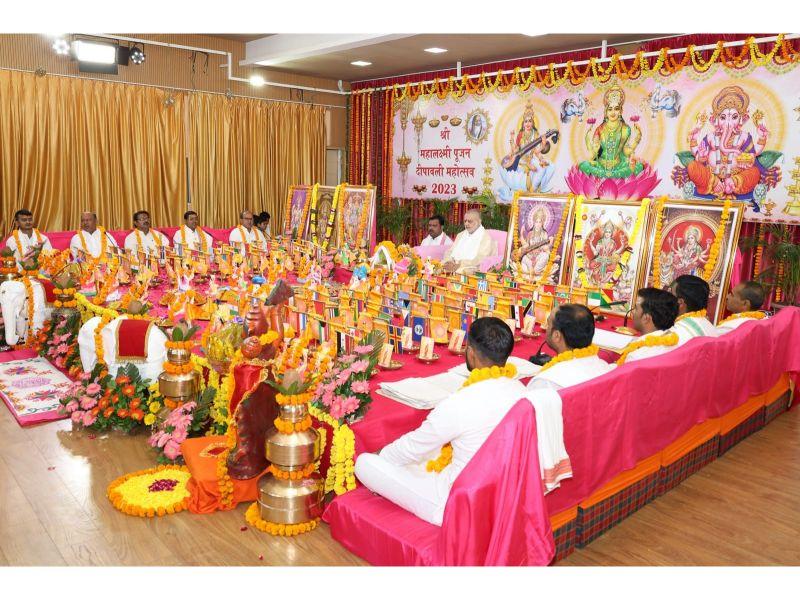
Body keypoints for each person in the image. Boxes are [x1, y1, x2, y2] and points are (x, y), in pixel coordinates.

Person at [354, 317, 529, 526]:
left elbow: (413, 447)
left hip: (456, 503)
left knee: (365, 463)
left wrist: (380, 456)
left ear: (471, 353)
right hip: (503, 488)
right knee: (432, 452)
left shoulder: (460, 402)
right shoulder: (522, 391)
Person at [527, 304, 615, 391]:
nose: (546, 328)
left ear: (557, 336)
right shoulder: (605, 368)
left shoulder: (546, 382)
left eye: (548, 324)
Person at [617, 287, 680, 364]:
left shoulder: (636, 357)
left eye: (636, 308)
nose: (632, 312)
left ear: (646, 318)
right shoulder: (673, 343)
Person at [441, 209, 497, 275]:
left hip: (470, 268)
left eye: (470, 221)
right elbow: (450, 251)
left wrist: (459, 265)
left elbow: (480, 259)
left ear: (479, 222)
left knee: (461, 272)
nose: (466, 224)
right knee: (436, 267)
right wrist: (449, 261)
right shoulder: (461, 235)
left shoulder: (485, 238)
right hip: (453, 264)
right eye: (465, 221)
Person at [668, 274, 718, 345]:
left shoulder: (676, 334)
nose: (666, 299)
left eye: (670, 294)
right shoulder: (708, 325)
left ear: (680, 303)